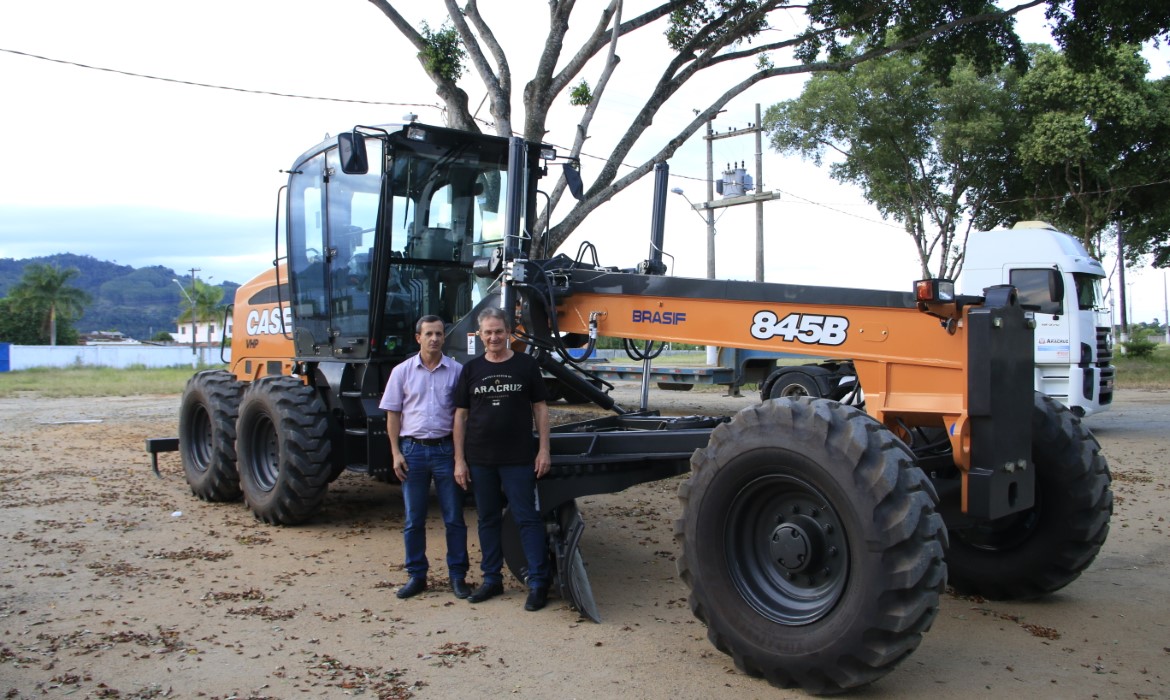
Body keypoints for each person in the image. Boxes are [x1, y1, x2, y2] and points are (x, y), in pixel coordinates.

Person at [453, 306, 552, 612]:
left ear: (509, 333)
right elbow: (460, 417)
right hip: (481, 459)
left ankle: (538, 582)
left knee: (527, 518)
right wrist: (460, 459)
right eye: (488, 332)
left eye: (499, 331)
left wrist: (544, 449)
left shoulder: (525, 365)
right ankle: (491, 579)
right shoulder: (470, 370)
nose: (494, 337)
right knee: (487, 520)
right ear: (480, 335)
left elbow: (540, 409)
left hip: (519, 459)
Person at [379, 314, 469, 600]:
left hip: (446, 451)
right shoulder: (402, 372)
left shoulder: (456, 371)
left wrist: (459, 458)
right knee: (413, 519)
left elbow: (462, 417)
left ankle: (458, 577)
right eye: (428, 334)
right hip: (413, 452)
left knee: (454, 518)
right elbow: (393, 414)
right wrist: (395, 453)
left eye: (439, 334)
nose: (434, 339)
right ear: (418, 337)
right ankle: (417, 576)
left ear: (444, 337)